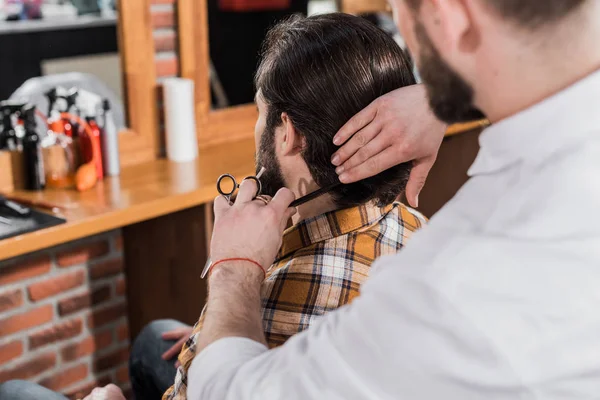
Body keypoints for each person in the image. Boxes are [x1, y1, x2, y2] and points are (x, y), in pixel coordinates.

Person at [175, 0, 599, 398]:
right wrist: (444, 101)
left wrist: (233, 276)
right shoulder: (422, 232)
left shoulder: (447, 286)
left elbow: (230, 390)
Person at [0, 12, 431, 400]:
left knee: (16, 391)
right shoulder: (416, 225)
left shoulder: (278, 299)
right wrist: (213, 333)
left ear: (289, 135)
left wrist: (232, 273)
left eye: (260, 111)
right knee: (154, 338)